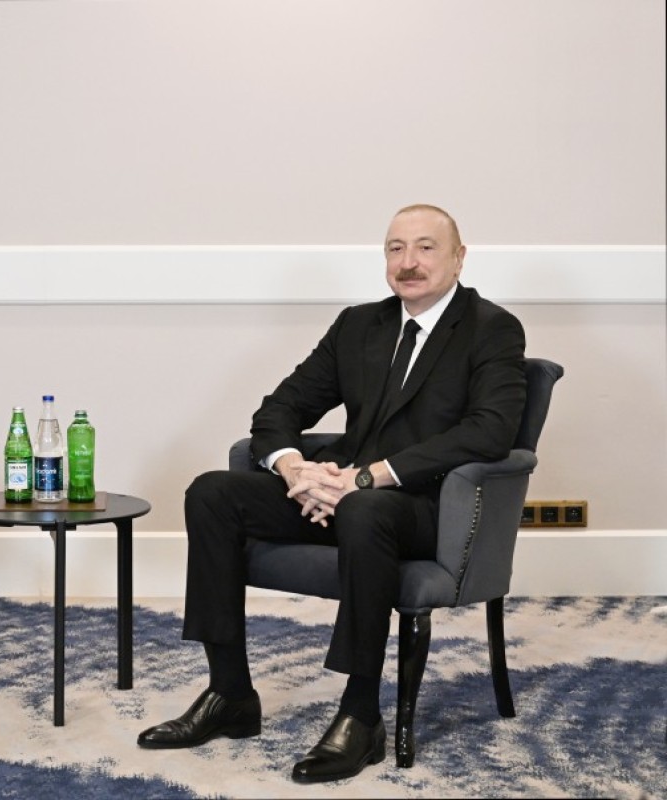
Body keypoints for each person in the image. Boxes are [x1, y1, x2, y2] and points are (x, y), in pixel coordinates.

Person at [136, 204, 526, 784]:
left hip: (429, 508)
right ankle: (230, 693)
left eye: (425, 247)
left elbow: (490, 431)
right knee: (213, 492)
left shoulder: (491, 328)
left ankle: (360, 714)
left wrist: (366, 478)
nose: (409, 262)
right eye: (395, 248)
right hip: (343, 496)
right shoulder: (358, 325)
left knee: (365, 508)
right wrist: (297, 472)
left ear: (458, 257)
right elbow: (280, 408)